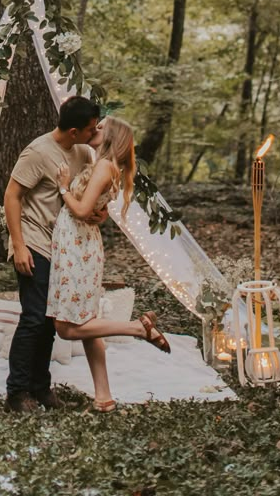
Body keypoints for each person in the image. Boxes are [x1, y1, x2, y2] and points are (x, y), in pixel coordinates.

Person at [47, 115, 171, 413]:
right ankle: (104, 398)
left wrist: (64, 188)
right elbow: (96, 211)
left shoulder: (104, 167)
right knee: (88, 326)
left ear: (111, 137)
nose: (94, 129)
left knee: (66, 328)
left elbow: (81, 210)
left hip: (77, 247)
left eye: (100, 128)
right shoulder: (109, 167)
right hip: (81, 244)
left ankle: (137, 328)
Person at [3, 94, 102, 414]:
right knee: (34, 317)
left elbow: (92, 194)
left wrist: (99, 214)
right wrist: (18, 245)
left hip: (65, 248)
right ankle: (17, 393)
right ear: (73, 132)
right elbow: (12, 196)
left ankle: (40, 387)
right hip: (33, 241)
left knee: (50, 318)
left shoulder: (85, 151)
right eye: (90, 129)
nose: (94, 133)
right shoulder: (37, 152)